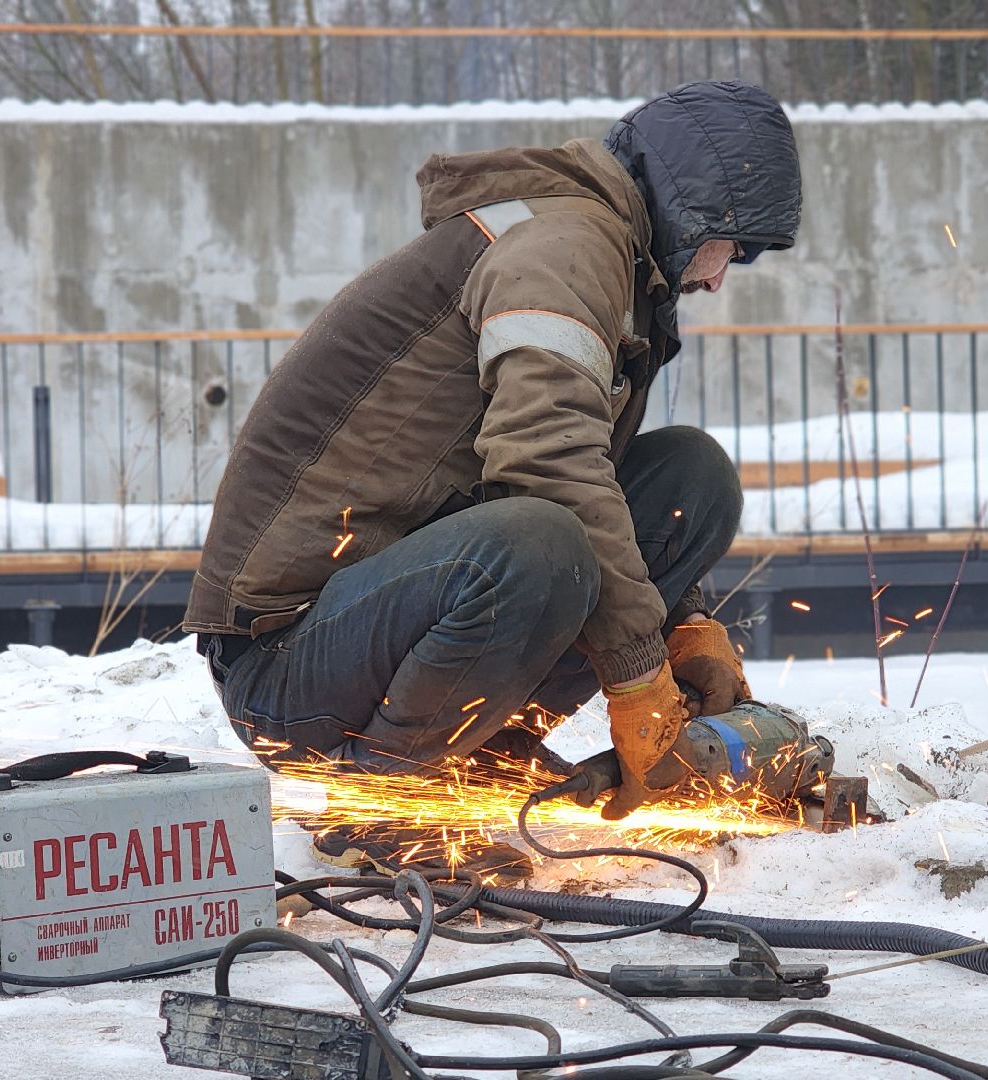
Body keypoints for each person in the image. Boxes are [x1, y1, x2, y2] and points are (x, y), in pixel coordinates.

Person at [184, 79, 803, 877]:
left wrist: (681, 623)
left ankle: (472, 754)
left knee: (691, 476)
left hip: (380, 623)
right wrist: (639, 669)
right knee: (539, 538)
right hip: (289, 670)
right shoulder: (568, 247)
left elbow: (598, 481)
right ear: (693, 213)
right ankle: (390, 809)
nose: (722, 276)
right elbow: (545, 462)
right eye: (735, 248)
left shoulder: (594, 243)